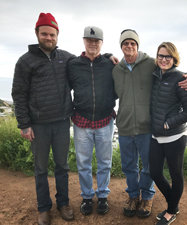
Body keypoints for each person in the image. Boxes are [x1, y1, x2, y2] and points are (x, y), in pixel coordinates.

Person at [112, 30, 187, 218]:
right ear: (121, 46)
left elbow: (173, 73)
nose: (129, 46)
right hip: (124, 126)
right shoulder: (116, 70)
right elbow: (110, 93)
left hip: (148, 127)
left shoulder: (150, 64)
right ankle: (133, 196)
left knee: (149, 168)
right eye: (126, 43)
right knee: (129, 166)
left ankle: (148, 198)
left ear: (138, 46)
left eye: (133, 43)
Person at [11, 13, 75, 225]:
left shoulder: (66, 57)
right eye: (44, 33)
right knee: (40, 169)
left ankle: (63, 203)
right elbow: (18, 94)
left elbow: (88, 62)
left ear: (57, 35)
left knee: (62, 166)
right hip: (38, 125)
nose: (49, 37)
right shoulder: (25, 61)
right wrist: (24, 124)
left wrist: (109, 55)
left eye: (52, 34)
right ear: (37, 33)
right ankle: (43, 208)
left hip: (62, 122)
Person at [67, 26, 117, 216]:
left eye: (96, 41)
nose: (93, 43)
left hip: (105, 120)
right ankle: (87, 196)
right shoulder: (73, 64)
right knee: (83, 163)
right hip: (81, 121)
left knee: (105, 162)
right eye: (89, 40)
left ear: (102, 43)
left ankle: (102, 195)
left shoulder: (110, 63)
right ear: (84, 41)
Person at [149, 42, 187, 225]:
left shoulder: (180, 78)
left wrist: (169, 124)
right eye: (161, 55)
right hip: (156, 135)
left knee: (176, 175)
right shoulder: (154, 76)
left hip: (175, 136)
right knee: (155, 173)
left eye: (168, 56)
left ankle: (170, 211)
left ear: (174, 58)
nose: (163, 59)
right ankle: (173, 204)